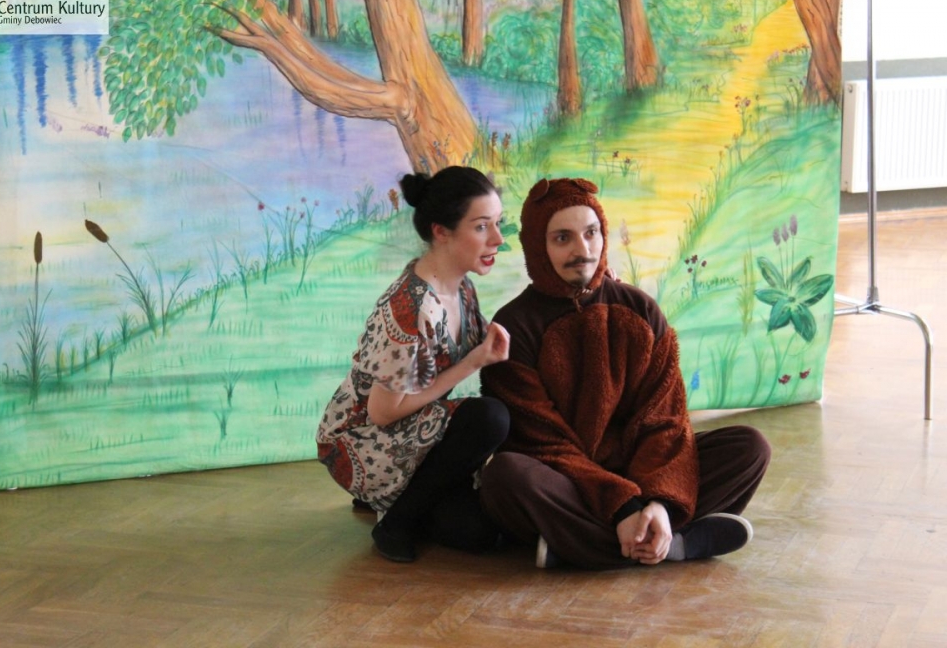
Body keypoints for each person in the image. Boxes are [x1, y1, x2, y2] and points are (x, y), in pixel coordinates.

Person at [479, 177, 771, 569]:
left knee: (749, 448)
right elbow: (543, 444)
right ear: (537, 245)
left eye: (591, 233)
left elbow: (665, 421)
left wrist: (659, 502)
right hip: (570, 481)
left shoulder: (640, 310)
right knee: (506, 475)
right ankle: (675, 545)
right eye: (563, 238)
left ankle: (582, 548)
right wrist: (622, 507)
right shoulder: (514, 327)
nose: (583, 250)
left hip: (640, 471)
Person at [317, 166, 511, 563]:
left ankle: (398, 500)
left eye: (497, 223)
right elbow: (383, 413)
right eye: (481, 227)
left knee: (478, 534)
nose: (498, 238)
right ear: (441, 231)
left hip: (417, 435)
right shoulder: (410, 307)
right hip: (363, 441)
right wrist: (473, 362)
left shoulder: (463, 288)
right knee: (489, 418)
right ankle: (395, 523)